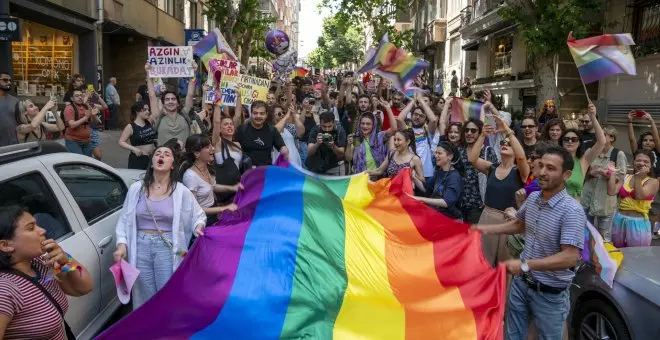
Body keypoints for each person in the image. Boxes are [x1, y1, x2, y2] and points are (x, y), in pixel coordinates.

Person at [474, 146, 586, 340]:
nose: (542, 172)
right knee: (512, 335)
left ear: (566, 175)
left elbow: (569, 257)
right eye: (540, 165)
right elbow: (519, 224)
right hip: (521, 285)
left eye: (550, 168)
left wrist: (525, 264)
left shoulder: (572, 211)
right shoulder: (533, 198)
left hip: (549, 295)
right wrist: (485, 229)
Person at [113, 145, 206, 308]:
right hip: (140, 246)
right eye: (157, 154)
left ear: (172, 165)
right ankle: (148, 331)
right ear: (153, 161)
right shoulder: (137, 189)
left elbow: (198, 215)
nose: (161, 156)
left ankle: (167, 330)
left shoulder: (181, 191)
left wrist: (198, 227)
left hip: (167, 246)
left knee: (167, 293)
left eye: (166, 154)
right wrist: (122, 247)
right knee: (144, 294)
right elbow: (124, 220)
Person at [0, 206, 93, 339]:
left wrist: (67, 261)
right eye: (31, 228)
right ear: (5, 246)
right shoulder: (5, 291)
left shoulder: (40, 263)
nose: (42, 230)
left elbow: (82, 288)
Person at [469, 110, 530, 267]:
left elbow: (522, 157)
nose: (504, 144)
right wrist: (483, 135)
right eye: (503, 143)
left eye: (509, 144)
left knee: (505, 265)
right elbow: (472, 158)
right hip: (488, 218)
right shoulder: (491, 167)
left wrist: (508, 132)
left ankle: (504, 292)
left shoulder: (520, 172)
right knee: (484, 262)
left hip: (509, 221)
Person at [180, 135, 241, 226]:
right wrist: (224, 208)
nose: (213, 149)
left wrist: (233, 188)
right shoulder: (190, 177)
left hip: (213, 213)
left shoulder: (206, 167)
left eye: (211, 145)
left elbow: (212, 186)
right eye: (208, 147)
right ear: (197, 153)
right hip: (201, 221)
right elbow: (195, 209)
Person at [581, 125, 627, 241]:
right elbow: (581, 173)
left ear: (611, 138)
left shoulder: (618, 154)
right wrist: (590, 173)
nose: (599, 137)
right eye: (598, 135)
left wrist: (607, 174)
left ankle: (600, 258)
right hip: (587, 198)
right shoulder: (590, 151)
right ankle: (587, 256)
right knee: (584, 232)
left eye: (603, 135)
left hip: (605, 202)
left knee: (603, 236)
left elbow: (621, 177)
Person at [610, 150, 659, 248]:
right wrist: (612, 173)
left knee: (638, 255)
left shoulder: (653, 182)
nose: (641, 163)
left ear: (651, 165)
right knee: (618, 251)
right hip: (619, 219)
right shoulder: (627, 177)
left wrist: (638, 177)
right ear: (634, 162)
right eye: (638, 160)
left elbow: (639, 196)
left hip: (638, 223)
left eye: (646, 162)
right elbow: (611, 191)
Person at [559, 103, 606, 200]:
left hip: (573, 209)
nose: (570, 141)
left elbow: (602, 142)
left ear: (579, 143)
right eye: (566, 139)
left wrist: (593, 117)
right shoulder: (555, 159)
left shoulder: (584, 160)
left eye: (574, 139)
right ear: (561, 142)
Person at [145, 63, 197, 146]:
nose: (170, 102)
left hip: (184, 157)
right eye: (167, 99)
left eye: (173, 99)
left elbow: (190, 94)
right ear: (163, 104)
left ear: (178, 103)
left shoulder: (185, 114)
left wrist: (194, 73)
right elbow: (152, 96)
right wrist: (148, 73)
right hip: (164, 157)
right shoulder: (158, 116)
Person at [409, 141, 464, 220]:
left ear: (450, 156)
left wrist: (420, 199)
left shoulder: (454, 177)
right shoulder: (439, 172)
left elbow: (446, 202)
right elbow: (426, 189)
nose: (435, 155)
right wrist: (413, 177)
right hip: (437, 217)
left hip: (450, 221)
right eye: (435, 153)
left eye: (439, 153)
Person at [345, 98, 397, 173]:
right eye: (362, 123)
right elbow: (348, 158)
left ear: (373, 125)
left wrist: (388, 109)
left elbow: (394, 129)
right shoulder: (356, 138)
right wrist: (349, 145)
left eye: (368, 124)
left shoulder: (379, 137)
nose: (365, 126)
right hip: (360, 178)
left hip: (377, 178)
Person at [235, 100, 288, 167]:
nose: (258, 116)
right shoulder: (242, 129)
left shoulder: (272, 130)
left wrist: (283, 156)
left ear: (266, 115)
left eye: (262, 113)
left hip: (265, 172)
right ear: (251, 114)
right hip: (247, 173)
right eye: (255, 113)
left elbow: (283, 149)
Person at [306, 111, 348, 175]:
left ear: (334, 123)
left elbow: (341, 153)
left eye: (329, 126)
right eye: (324, 126)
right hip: (317, 168)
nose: (327, 129)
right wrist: (317, 144)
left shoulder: (340, 131)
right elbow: (309, 152)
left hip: (335, 168)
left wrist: (333, 146)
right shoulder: (315, 130)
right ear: (320, 123)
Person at [118, 101, 157, 170]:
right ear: (137, 111)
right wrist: (134, 149)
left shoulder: (150, 121)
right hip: (138, 159)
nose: (148, 112)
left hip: (151, 158)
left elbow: (157, 112)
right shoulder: (130, 127)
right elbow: (121, 142)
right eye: (144, 110)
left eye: (148, 109)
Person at [63, 89, 98, 156]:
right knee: (79, 161)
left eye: (81, 95)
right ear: (72, 98)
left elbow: (95, 122)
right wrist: (85, 117)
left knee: (87, 162)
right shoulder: (69, 108)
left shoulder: (86, 106)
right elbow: (72, 125)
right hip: (73, 141)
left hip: (87, 140)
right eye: (77, 96)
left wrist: (94, 115)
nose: (80, 97)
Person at [0, 71, 19, 147]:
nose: (8, 82)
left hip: (14, 143)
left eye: (10, 80)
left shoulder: (15, 101)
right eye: (5, 80)